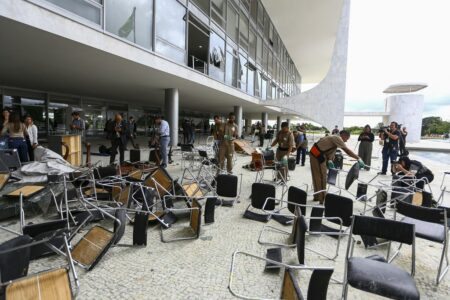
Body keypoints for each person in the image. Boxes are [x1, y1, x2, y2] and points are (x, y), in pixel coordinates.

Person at [309, 130, 365, 203]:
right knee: (322, 177)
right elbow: (347, 151)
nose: (346, 141)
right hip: (317, 155)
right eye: (346, 139)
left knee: (317, 176)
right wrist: (358, 158)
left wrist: (329, 160)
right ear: (343, 135)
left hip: (315, 153)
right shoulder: (338, 138)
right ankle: (322, 199)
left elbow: (329, 149)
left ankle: (317, 196)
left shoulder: (333, 138)